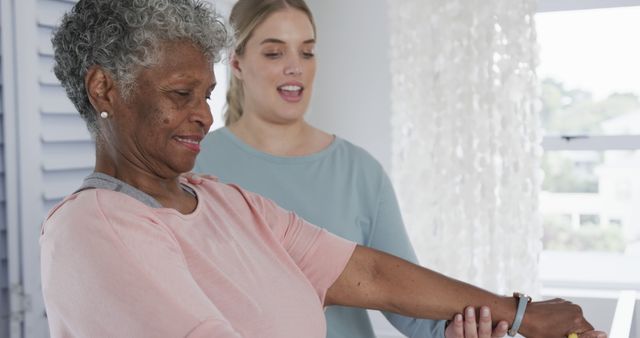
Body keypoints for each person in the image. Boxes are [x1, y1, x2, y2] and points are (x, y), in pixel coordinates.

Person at [40, 0, 606, 337]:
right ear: (104, 88)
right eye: (181, 93)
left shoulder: (225, 200)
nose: (202, 114)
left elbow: (371, 275)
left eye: (206, 94)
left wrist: (525, 314)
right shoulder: (94, 227)